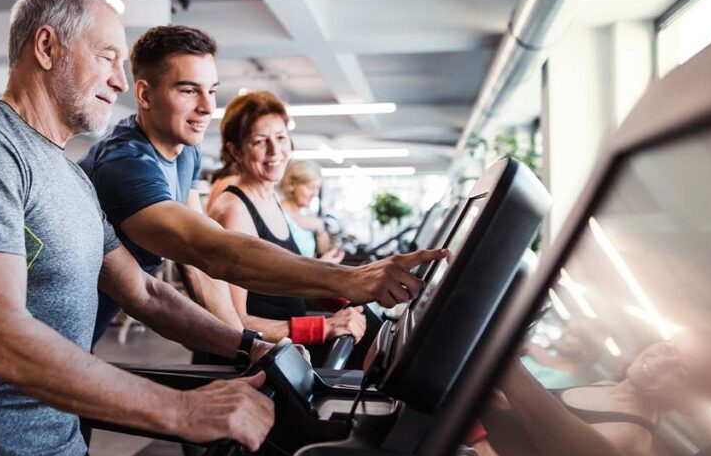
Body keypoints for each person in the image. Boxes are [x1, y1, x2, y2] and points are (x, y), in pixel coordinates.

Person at [0, 0, 275, 456]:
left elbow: (145, 293)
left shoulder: (72, 175)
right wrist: (182, 411)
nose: (119, 80)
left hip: (62, 437)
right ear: (47, 47)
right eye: (107, 56)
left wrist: (250, 348)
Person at [81, 25, 445, 338]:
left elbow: (196, 265)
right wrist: (347, 279)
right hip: (44, 328)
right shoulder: (126, 164)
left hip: (80, 331)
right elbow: (210, 249)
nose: (208, 106)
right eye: (189, 90)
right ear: (144, 95)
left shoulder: (184, 152)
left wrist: (245, 349)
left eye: (212, 90)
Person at [207, 91, 365, 349]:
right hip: (250, 365)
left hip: (285, 353)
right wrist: (324, 327)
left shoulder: (270, 199)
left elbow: (277, 288)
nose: (275, 151)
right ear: (235, 151)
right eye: (260, 141)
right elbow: (234, 322)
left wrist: (341, 293)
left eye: (281, 138)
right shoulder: (235, 211)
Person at [478, 329, 711, 456]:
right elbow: (527, 428)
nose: (660, 361)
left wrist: (472, 429)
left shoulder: (629, 437)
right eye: (667, 347)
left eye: (680, 370)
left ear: (687, 399)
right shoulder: (607, 386)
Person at [278, 160, 344, 263]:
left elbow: (322, 251)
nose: (315, 193)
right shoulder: (277, 214)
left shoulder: (306, 217)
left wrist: (320, 229)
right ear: (291, 185)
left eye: (317, 188)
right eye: (310, 187)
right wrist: (321, 265)